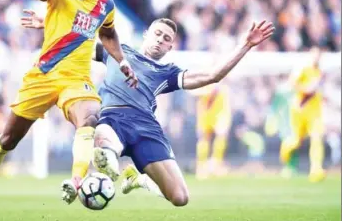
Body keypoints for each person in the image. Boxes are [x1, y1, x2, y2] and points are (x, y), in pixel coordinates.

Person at [0, 0, 138, 208]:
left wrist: (122, 61)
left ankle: (77, 181)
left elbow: (109, 34)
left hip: (76, 79)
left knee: (90, 117)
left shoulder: (106, 5)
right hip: (43, 76)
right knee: (8, 141)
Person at [92, 18, 274, 206]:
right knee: (105, 148)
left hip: (146, 128)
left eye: (166, 38)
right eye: (157, 34)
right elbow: (77, 50)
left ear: (169, 48)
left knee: (180, 198)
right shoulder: (117, 51)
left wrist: (245, 45)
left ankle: (140, 179)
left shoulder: (167, 72)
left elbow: (213, 76)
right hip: (113, 117)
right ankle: (105, 162)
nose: (160, 40)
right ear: (146, 34)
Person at [279, 47, 326, 182]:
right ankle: (285, 154)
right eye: (314, 55)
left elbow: (317, 91)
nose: (317, 58)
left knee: (317, 138)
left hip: (315, 113)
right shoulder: (303, 68)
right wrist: (305, 90)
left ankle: (316, 169)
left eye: (319, 55)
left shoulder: (319, 72)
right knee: (295, 141)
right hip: (299, 110)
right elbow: (292, 83)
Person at [191, 82, 232, 179]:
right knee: (204, 138)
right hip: (205, 110)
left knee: (221, 136)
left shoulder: (223, 90)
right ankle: (201, 167)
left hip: (218, 110)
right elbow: (193, 91)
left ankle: (216, 164)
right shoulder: (204, 81)